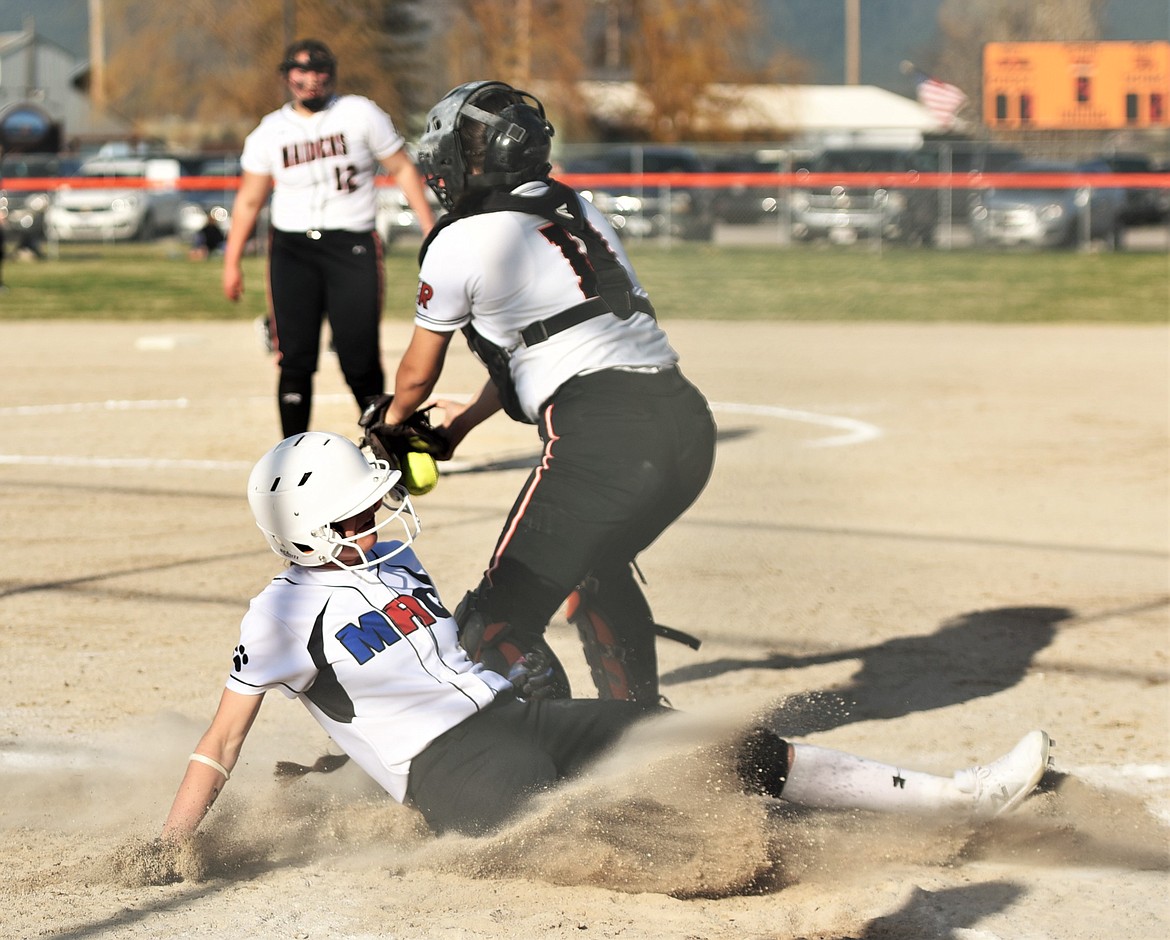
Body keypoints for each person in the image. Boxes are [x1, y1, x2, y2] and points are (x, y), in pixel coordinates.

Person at [160, 433, 1052, 844]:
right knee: (611, 825)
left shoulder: (394, 567)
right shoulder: (277, 616)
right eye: (362, 506)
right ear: (311, 528)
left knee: (716, 746)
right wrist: (175, 840)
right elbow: (221, 739)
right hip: (453, 773)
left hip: (520, 723)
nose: (385, 512)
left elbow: (418, 684)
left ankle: (958, 800)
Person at [374, 80, 716, 706]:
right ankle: (637, 724)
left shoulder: (459, 239)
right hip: (685, 426)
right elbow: (548, 341)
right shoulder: (576, 210)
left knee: (492, 623)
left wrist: (392, 427)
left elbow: (416, 379)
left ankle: (550, 762)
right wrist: (468, 420)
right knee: (593, 567)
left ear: (468, 160)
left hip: (601, 436)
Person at [222, 38, 435, 437]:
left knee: (359, 356)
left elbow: (403, 169)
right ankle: (292, 451)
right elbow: (250, 200)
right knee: (295, 358)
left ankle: (386, 442)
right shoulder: (270, 131)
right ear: (286, 77)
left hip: (350, 244)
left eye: (319, 70)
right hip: (292, 249)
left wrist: (428, 228)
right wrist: (231, 262)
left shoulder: (359, 113)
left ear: (331, 74)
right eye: (300, 70)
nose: (310, 79)